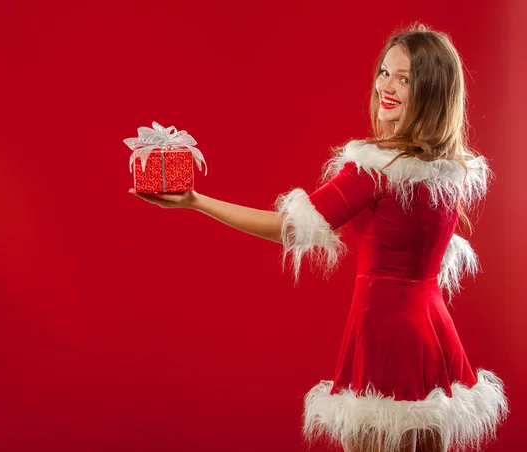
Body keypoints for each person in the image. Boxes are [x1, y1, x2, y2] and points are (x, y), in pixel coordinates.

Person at [129, 24, 508, 452]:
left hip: (384, 332)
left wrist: (197, 201)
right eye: (385, 72)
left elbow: (290, 227)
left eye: (405, 78)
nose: (387, 86)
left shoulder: (374, 168)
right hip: (432, 328)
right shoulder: (446, 169)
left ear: (433, 90)